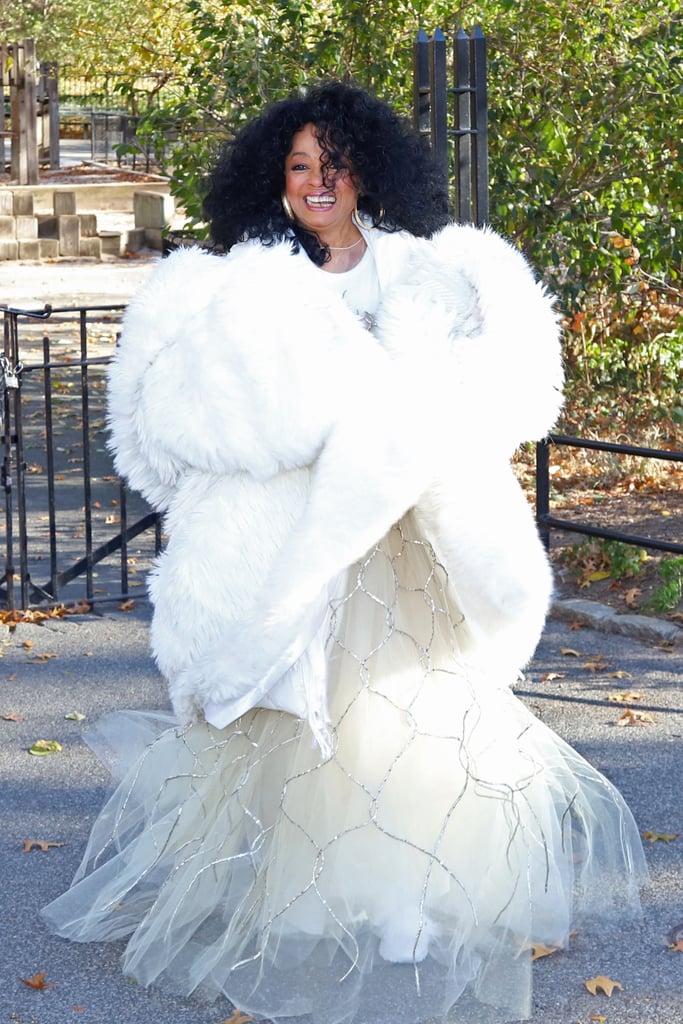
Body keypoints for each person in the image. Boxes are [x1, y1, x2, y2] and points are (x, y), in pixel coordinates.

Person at [42, 81, 647, 1024]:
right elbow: (191, 426)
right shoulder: (244, 281)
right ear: (271, 180)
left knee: (413, 710)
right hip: (302, 543)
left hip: (411, 539)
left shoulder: (421, 271)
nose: (317, 184)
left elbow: (486, 394)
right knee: (307, 721)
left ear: (366, 172)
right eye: (298, 167)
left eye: (333, 166)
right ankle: (306, 893)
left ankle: (408, 896)